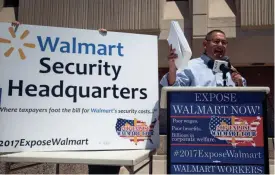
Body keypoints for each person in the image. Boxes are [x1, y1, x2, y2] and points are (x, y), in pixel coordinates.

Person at [11, 21, 120, 174]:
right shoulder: (77, 83)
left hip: (110, 139)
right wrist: (16, 33)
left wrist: (102, 41)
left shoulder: (112, 85)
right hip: (84, 137)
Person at [160, 29, 246, 87]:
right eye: (216, 41)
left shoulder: (229, 70)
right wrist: (172, 67)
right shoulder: (190, 66)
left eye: (224, 42)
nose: (220, 45)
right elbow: (173, 86)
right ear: (205, 44)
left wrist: (239, 83)